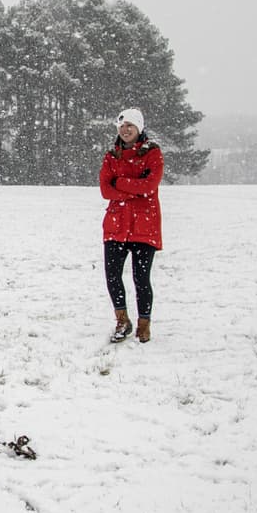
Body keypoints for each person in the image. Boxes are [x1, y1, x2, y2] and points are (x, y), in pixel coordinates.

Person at [99, 107, 163, 343]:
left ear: (139, 128)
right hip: (116, 225)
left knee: (141, 278)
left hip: (144, 226)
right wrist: (133, 190)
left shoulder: (152, 153)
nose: (125, 130)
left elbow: (150, 186)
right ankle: (122, 320)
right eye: (122, 126)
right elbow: (105, 190)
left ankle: (144, 324)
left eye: (130, 126)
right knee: (112, 276)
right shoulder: (111, 155)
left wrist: (120, 183)